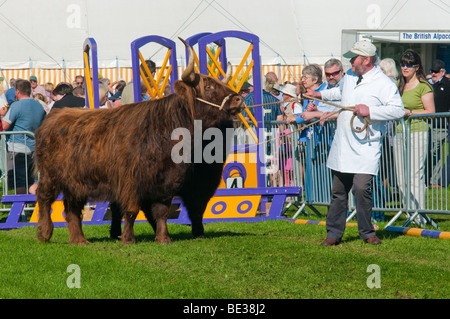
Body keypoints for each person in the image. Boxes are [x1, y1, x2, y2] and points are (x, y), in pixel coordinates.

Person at [317, 40, 405, 245]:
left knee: (361, 188)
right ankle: (333, 234)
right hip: (343, 145)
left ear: (366, 60)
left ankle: (367, 232)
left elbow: (398, 110)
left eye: (353, 57)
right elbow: (338, 93)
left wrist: (371, 111)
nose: (350, 61)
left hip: (366, 145)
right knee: (338, 192)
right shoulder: (348, 77)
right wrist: (318, 93)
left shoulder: (384, 83)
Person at [393, 49, 434, 215]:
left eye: (409, 65)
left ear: (417, 67)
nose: (405, 67)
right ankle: (409, 212)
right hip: (399, 132)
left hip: (418, 132)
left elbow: (431, 111)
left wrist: (409, 112)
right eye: (402, 64)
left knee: (414, 175)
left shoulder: (424, 86)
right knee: (401, 178)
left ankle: (419, 215)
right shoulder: (398, 85)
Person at [0, 79, 46, 194]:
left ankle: (21, 210)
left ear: (17, 91)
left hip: (17, 147)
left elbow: (4, 125)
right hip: (34, 147)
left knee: (18, 181)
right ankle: (36, 208)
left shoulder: (16, 105)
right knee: (32, 181)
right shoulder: (39, 106)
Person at [428, 59, 450, 187]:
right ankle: (432, 180)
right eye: (432, 71)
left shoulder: (447, 84)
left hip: (442, 125)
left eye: (436, 72)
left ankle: (435, 180)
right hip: (433, 124)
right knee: (433, 153)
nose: (433, 74)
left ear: (442, 72)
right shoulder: (433, 85)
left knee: (435, 153)